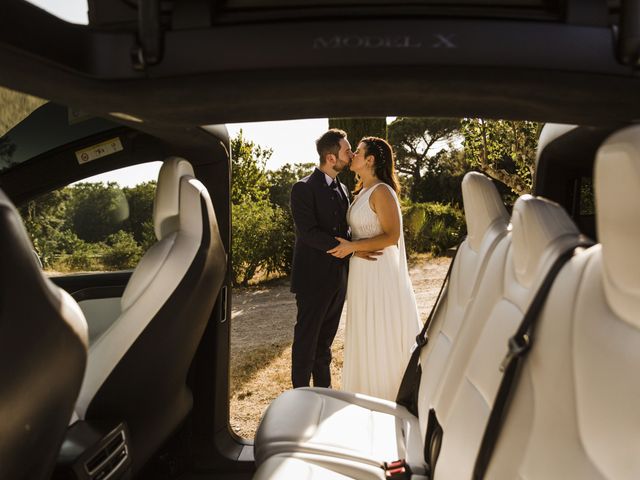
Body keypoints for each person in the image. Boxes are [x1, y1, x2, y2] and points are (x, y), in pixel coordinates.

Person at [328, 136, 422, 401]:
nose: (352, 155)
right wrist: (355, 248)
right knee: (365, 332)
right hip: (362, 271)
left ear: (369, 160)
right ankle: (366, 393)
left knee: (381, 331)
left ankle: (388, 394)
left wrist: (352, 247)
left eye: (357, 152)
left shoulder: (382, 191)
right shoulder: (361, 192)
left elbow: (392, 236)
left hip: (379, 272)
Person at [289, 128, 354, 389]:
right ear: (331, 158)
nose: (351, 155)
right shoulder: (303, 188)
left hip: (339, 279)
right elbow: (308, 233)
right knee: (306, 343)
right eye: (346, 151)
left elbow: (345, 227)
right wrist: (348, 247)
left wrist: (353, 247)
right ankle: (300, 397)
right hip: (312, 280)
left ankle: (324, 394)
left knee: (325, 344)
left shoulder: (344, 188)